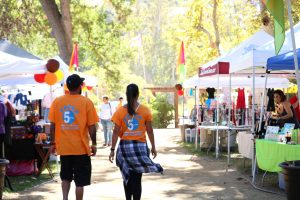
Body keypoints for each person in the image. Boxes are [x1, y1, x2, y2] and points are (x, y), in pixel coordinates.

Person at [109, 83, 163, 200]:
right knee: (137, 178)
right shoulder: (145, 110)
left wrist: (113, 150)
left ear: (126, 95)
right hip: (140, 147)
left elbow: (115, 132)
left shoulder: (119, 111)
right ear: (138, 95)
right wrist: (153, 147)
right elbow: (149, 131)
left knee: (126, 176)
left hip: (124, 149)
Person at [49, 74, 98, 200]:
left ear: (68, 86)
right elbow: (92, 127)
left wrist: (52, 143)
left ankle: (65, 198)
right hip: (81, 148)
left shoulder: (57, 101)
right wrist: (94, 144)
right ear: (80, 86)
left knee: (65, 177)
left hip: (64, 148)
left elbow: (52, 125)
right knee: (80, 181)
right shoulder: (86, 102)